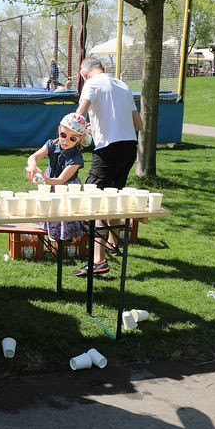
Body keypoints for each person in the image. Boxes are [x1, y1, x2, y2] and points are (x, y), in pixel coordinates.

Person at [73, 57, 142, 277]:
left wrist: (68, 136)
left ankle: (98, 261)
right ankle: (113, 244)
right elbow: (139, 124)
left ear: (84, 73)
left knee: (92, 201)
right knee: (113, 196)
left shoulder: (91, 84)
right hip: (130, 146)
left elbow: (79, 115)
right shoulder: (123, 85)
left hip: (108, 149)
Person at [25, 113, 89, 244]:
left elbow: (60, 180)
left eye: (72, 138)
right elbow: (33, 157)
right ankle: (52, 238)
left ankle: (66, 242)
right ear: (59, 130)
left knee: (64, 214)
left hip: (66, 187)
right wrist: (32, 166)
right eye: (63, 135)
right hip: (50, 181)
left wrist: (42, 179)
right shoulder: (51, 145)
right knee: (49, 212)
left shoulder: (76, 157)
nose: (66, 141)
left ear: (80, 138)